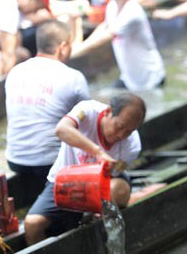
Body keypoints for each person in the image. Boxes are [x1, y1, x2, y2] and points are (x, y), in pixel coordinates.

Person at [23, 93, 145, 245]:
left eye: (128, 131)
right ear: (108, 112)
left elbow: (113, 176)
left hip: (101, 184)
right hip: (65, 181)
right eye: (118, 127)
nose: (121, 135)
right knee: (32, 224)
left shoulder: (132, 145)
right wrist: (98, 152)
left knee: (117, 190)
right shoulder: (87, 110)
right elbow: (61, 129)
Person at [5, 20, 89, 200]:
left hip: (16, 160)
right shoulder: (72, 77)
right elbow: (88, 124)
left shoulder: (15, 72)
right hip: (50, 163)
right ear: (63, 47)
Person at [75, 0, 165, 90]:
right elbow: (104, 27)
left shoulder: (132, 11)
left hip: (150, 77)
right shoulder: (111, 6)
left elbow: (106, 37)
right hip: (128, 78)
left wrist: (71, 54)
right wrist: (79, 46)